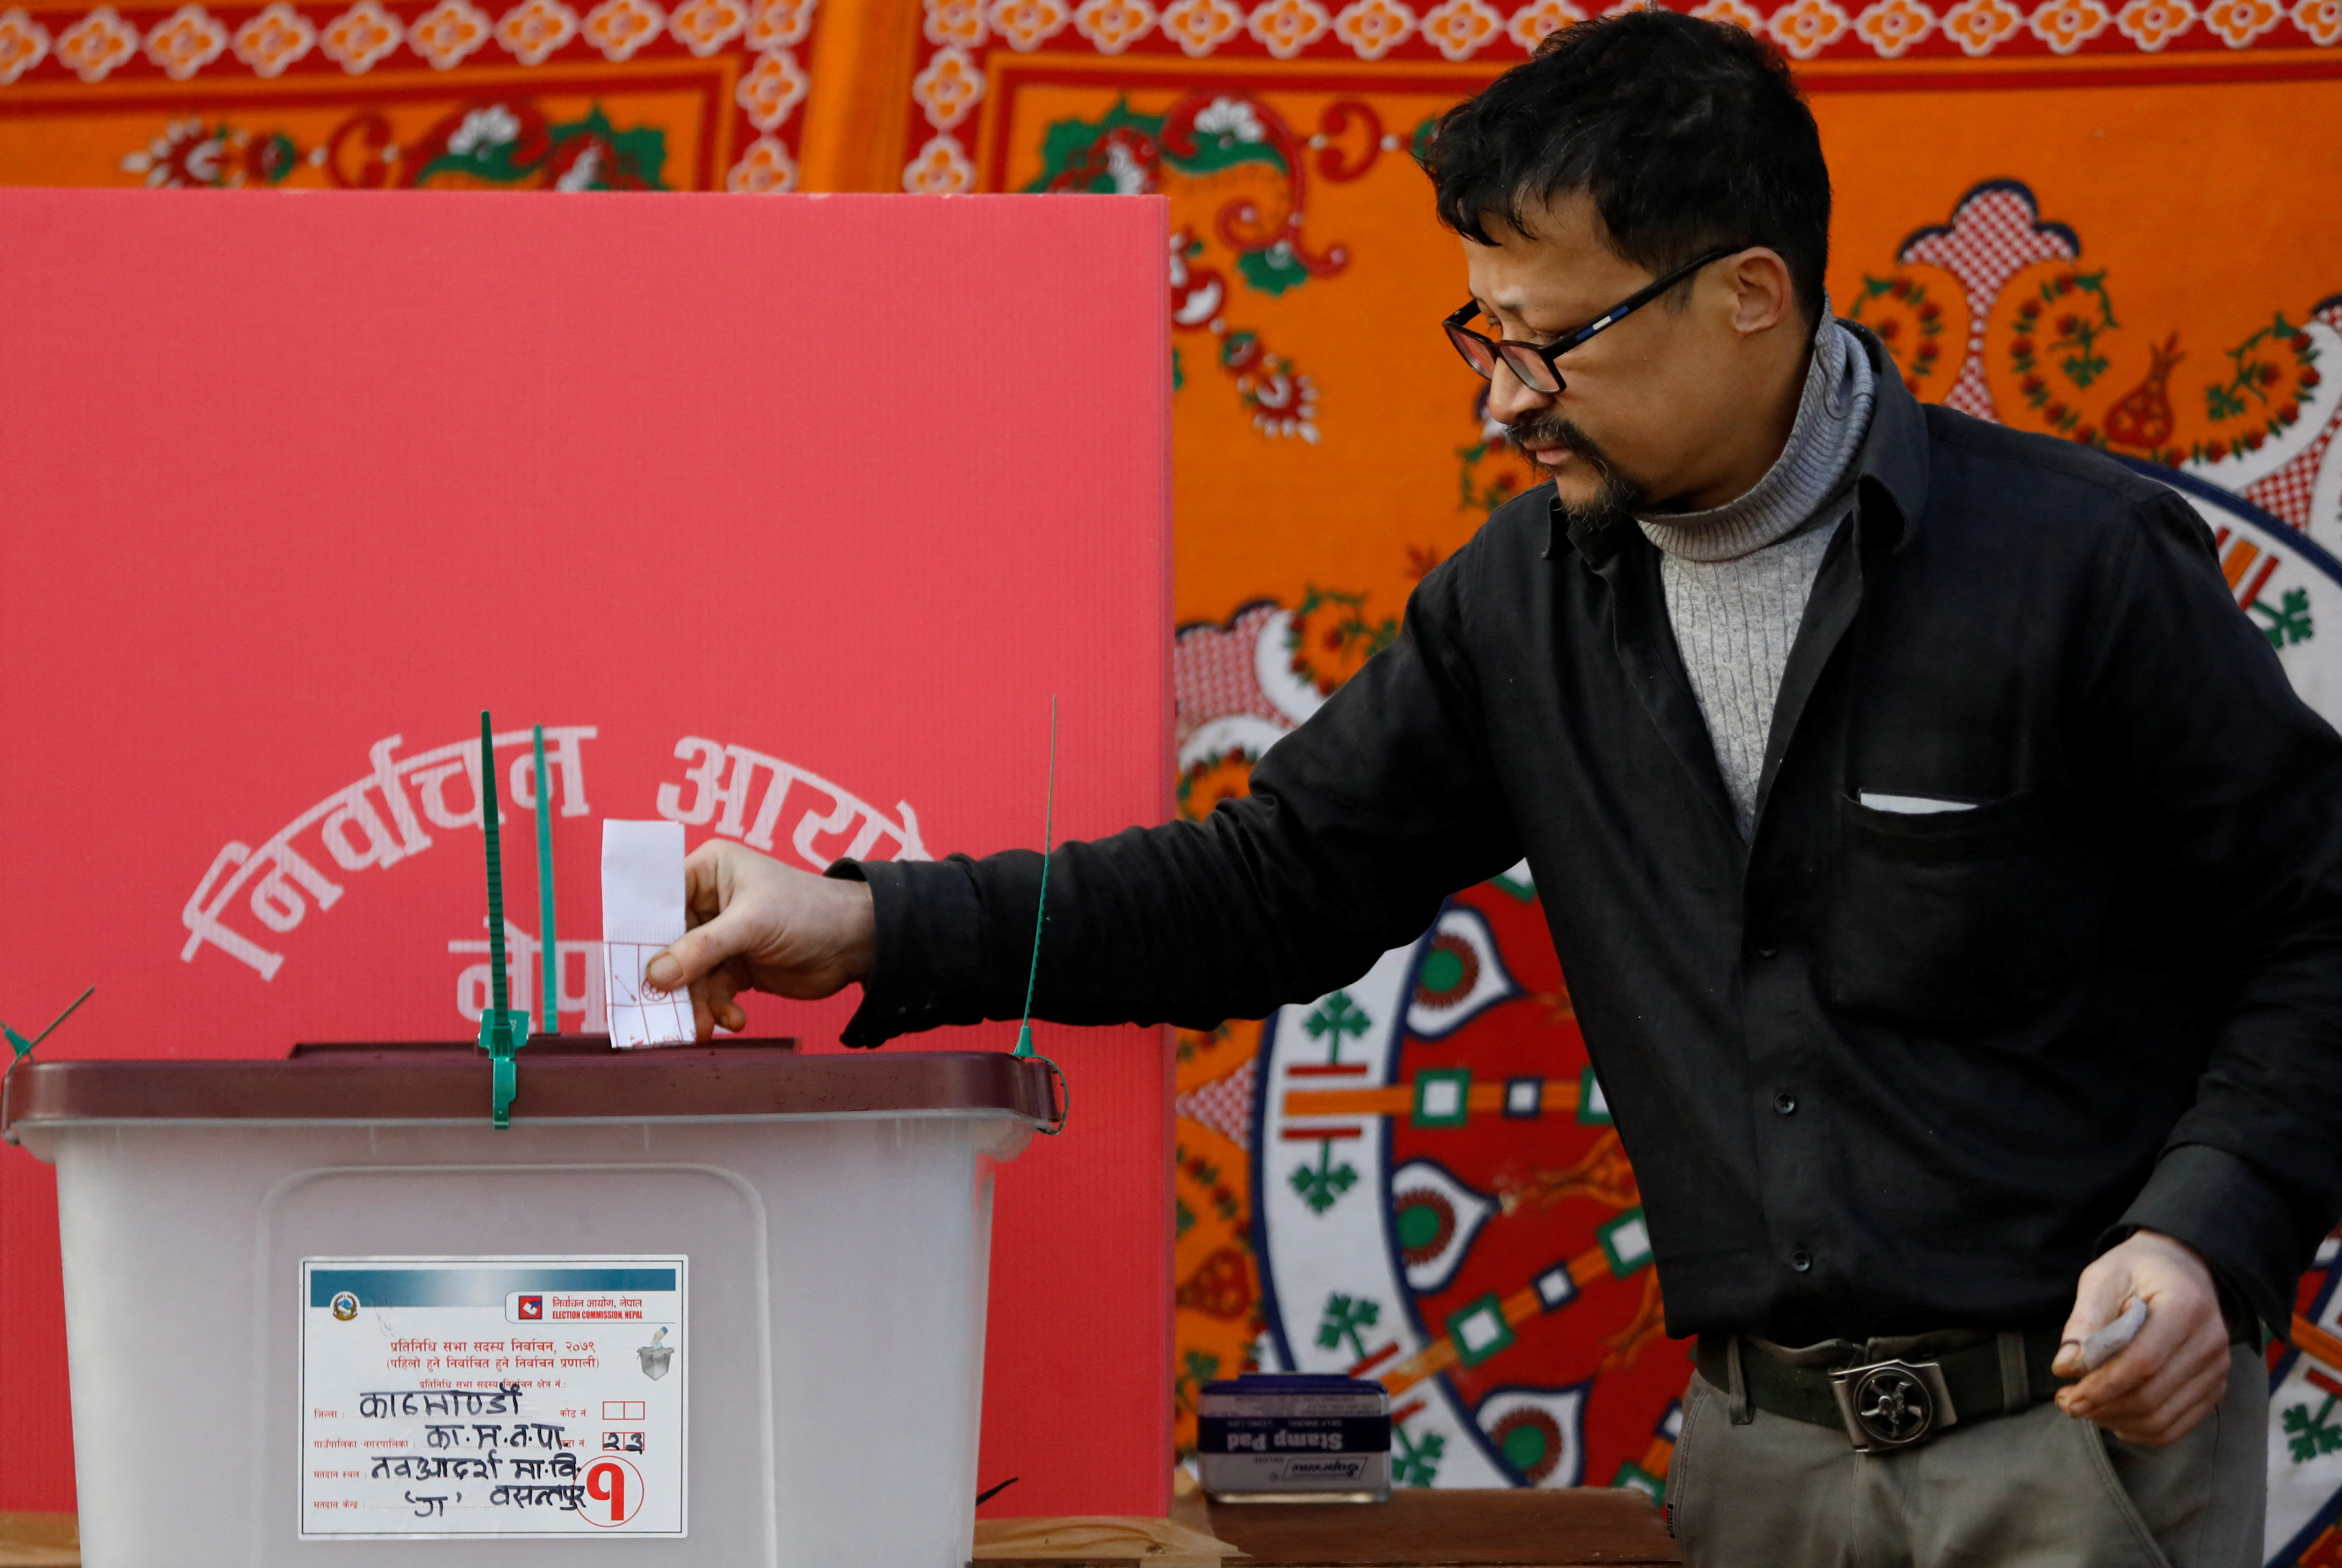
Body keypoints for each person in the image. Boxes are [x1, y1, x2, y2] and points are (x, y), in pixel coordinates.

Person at [645, 13, 2342, 1562]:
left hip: (2075, 1458)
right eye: (1484, 331)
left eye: (1554, 341)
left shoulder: (2080, 566)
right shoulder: (1513, 605)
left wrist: (2204, 1237)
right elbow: (1265, 885)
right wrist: (869, 918)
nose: (1500, 395)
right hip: (1752, 1470)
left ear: (1750, 294)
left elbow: (2318, 929)